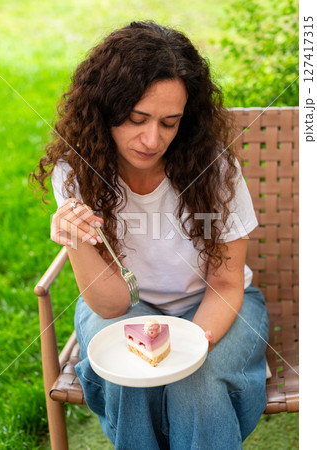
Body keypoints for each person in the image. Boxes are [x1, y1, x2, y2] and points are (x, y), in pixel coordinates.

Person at [31, 21, 269, 450]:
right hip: (128, 306)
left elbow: (227, 283)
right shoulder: (77, 171)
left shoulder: (214, 168)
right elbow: (111, 304)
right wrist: (75, 239)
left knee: (195, 382)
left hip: (215, 302)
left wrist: (188, 346)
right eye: (136, 118)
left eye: (169, 122)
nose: (151, 139)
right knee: (131, 379)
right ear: (105, 108)